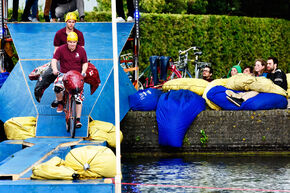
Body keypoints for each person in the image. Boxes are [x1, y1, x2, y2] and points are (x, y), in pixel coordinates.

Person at [51, 32, 88, 128]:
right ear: (67, 41)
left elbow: (85, 63)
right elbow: (54, 60)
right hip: (64, 74)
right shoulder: (61, 49)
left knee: (78, 98)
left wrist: (83, 72)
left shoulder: (81, 50)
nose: (72, 44)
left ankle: (77, 120)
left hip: (77, 75)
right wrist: (55, 69)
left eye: (74, 42)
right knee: (57, 88)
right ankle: (60, 102)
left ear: (77, 42)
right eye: (70, 42)